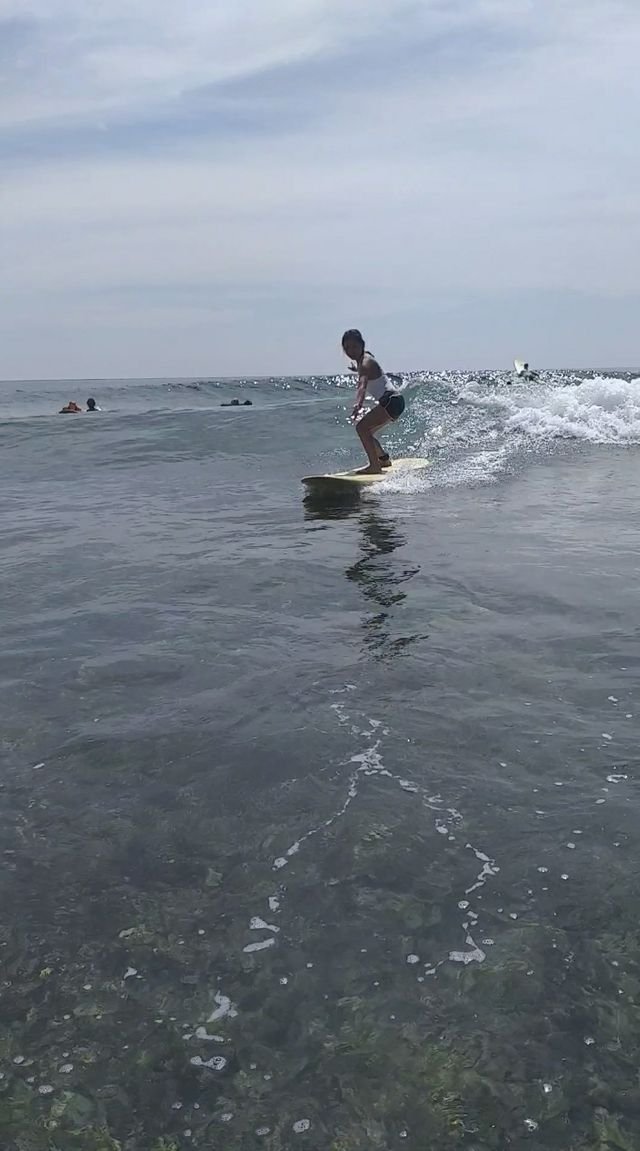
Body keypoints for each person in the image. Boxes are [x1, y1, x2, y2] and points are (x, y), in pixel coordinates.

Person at [342, 329, 405, 473]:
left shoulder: (365, 363)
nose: (351, 351)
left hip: (390, 401)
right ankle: (383, 459)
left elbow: (362, 385)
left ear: (362, 345)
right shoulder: (365, 358)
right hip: (396, 401)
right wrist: (356, 368)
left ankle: (374, 466)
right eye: (347, 348)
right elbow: (366, 367)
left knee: (361, 428)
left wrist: (358, 404)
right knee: (367, 432)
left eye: (354, 346)